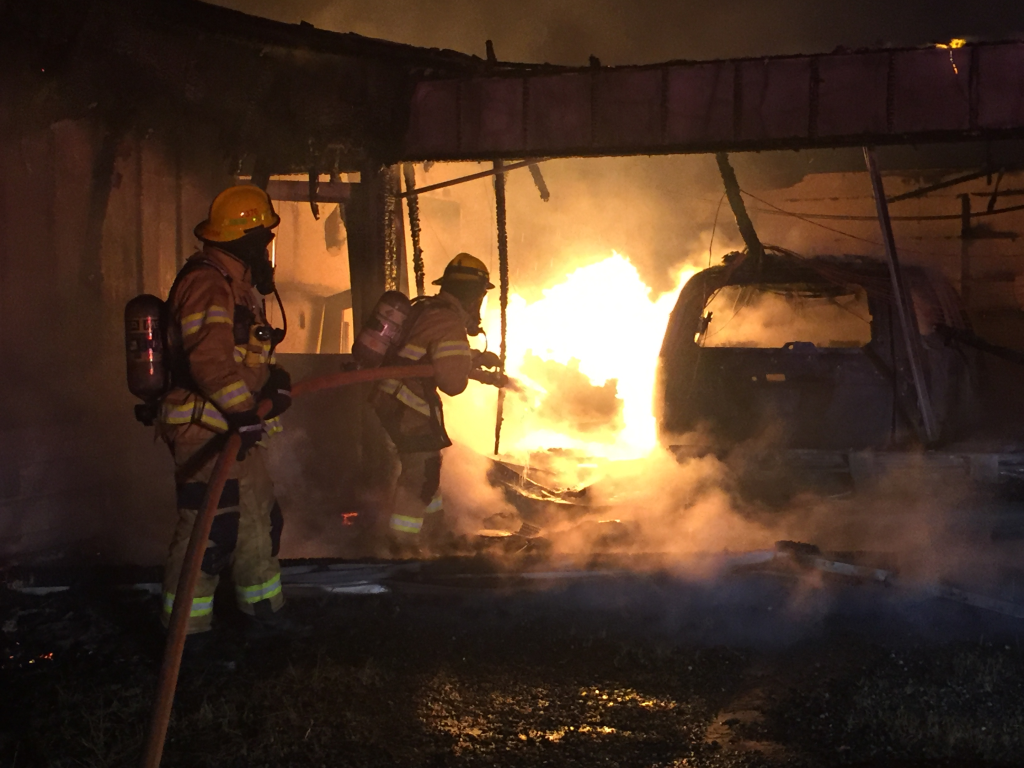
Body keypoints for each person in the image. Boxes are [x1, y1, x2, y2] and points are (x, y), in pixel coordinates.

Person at [156, 184, 303, 643]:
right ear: (246, 239)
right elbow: (209, 361)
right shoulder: (206, 283)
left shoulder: (237, 287)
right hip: (205, 427)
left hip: (235, 427)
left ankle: (261, 611)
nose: (267, 249)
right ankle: (188, 633)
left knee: (259, 517)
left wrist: (273, 379)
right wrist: (245, 412)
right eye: (264, 239)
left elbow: (241, 357)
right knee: (210, 528)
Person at [372, 253, 500, 554]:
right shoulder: (448, 321)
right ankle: (400, 546)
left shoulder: (429, 309)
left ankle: (437, 535)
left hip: (392, 398)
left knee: (429, 468)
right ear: (473, 296)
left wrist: (478, 361)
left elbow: (432, 354)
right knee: (420, 474)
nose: (479, 306)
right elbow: (452, 383)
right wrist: (467, 366)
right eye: (480, 297)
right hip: (407, 403)